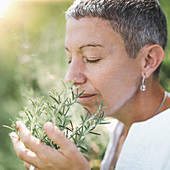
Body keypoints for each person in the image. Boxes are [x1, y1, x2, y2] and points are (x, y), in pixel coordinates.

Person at [10, 0, 170, 169]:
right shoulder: (114, 128)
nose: (70, 77)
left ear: (148, 61)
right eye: (69, 60)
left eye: (91, 58)